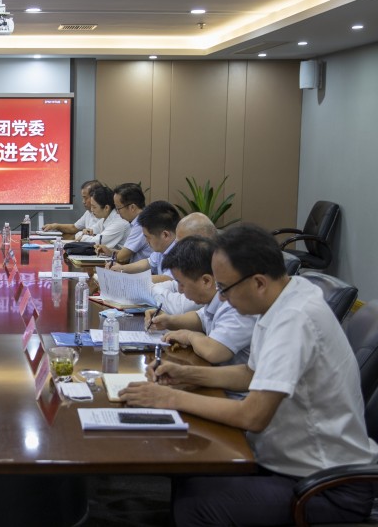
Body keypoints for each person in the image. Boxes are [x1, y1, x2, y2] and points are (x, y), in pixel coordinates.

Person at [121, 224, 378, 526]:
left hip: (325, 486)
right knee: (191, 471)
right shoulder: (286, 297)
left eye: (224, 288)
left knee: (197, 506)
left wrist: (168, 398)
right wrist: (187, 374)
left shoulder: (295, 318)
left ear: (258, 283)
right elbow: (251, 374)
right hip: (291, 463)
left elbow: (252, 416)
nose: (222, 299)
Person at [146, 236, 256, 380]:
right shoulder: (217, 296)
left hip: (233, 388)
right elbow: (200, 318)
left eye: (182, 284)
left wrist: (190, 336)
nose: (180, 290)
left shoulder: (235, 302)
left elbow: (214, 352)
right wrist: (168, 321)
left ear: (206, 281)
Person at [150, 212, 218, 315]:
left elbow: (179, 308)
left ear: (200, 241)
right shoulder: (199, 261)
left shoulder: (220, 269)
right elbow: (174, 284)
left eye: (181, 244)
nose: (176, 248)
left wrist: (152, 289)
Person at [107, 200, 180, 283]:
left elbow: (168, 278)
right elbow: (148, 263)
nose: (146, 241)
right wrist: (122, 269)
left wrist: (128, 278)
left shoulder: (180, 252)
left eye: (148, 237)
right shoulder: (163, 248)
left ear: (165, 235)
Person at [94, 182, 152, 263]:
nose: (117, 212)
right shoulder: (138, 221)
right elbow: (126, 254)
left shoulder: (141, 224)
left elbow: (122, 257)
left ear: (132, 207)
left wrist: (112, 253)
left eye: (118, 208)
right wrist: (109, 251)